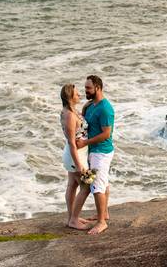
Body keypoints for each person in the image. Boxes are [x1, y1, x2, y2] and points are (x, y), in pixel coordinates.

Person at [67, 75, 114, 235]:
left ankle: (102, 222)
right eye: (85, 87)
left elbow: (107, 134)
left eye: (88, 88)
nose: (85, 90)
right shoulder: (92, 105)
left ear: (98, 88)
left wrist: (85, 144)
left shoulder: (105, 109)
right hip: (92, 151)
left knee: (97, 186)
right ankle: (104, 213)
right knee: (103, 183)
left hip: (101, 152)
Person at [59, 84, 92, 229]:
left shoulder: (71, 111)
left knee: (72, 185)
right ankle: (74, 220)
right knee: (87, 186)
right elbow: (72, 143)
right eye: (77, 94)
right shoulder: (70, 116)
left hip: (75, 155)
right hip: (75, 156)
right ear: (69, 97)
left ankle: (71, 217)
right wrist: (79, 165)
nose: (79, 95)